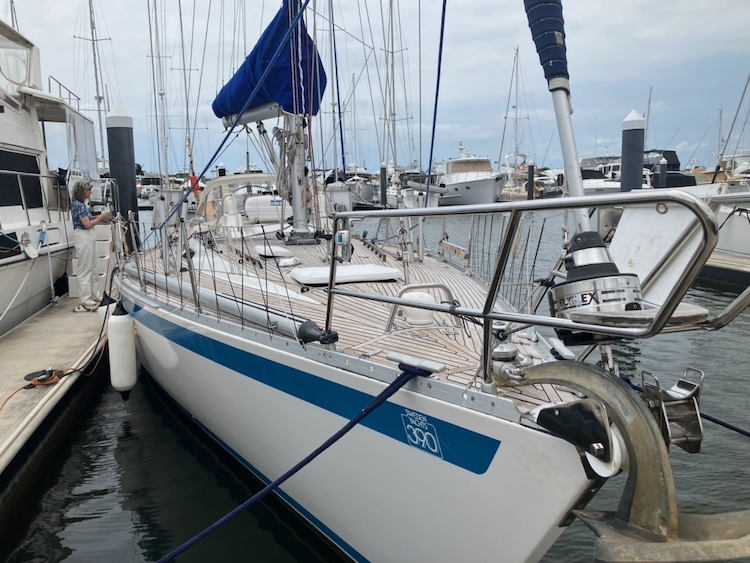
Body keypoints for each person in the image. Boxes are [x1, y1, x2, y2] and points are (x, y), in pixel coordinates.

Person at [71, 181, 109, 312]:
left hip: (89, 236)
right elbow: (87, 224)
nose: (91, 193)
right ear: (83, 192)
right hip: (84, 236)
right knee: (85, 268)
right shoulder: (78, 205)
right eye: (89, 190)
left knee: (94, 266)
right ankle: (85, 297)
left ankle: (94, 293)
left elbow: (86, 218)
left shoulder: (81, 205)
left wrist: (98, 217)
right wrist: (101, 218)